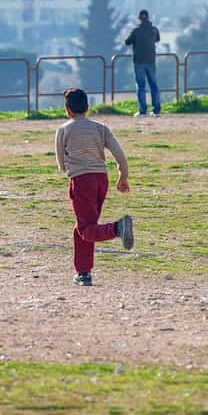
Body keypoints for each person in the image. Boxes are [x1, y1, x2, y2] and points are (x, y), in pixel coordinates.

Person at [55, 87, 133, 287]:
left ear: (67, 110)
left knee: (86, 229)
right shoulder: (100, 128)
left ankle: (118, 228)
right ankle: (83, 272)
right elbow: (120, 154)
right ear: (87, 108)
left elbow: (62, 165)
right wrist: (123, 177)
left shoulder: (64, 129)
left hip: (81, 181)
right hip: (102, 179)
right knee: (81, 227)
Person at [124, 10, 162, 117]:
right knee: (154, 86)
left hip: (139, 61)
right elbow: (158, 39)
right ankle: (156, 110)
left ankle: (142, 111)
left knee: (141, 86)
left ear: (139, 18)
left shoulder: (136, 31)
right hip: (151, 61)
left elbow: (127, 42)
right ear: (148, 17)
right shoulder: (154, 30)